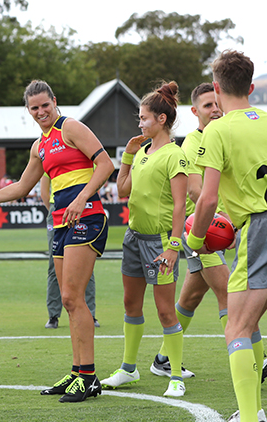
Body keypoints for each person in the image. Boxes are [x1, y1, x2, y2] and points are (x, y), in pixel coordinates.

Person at [0, 80, 113, 403]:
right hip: (60, 223)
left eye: (45, 105)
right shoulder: (39, 146)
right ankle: (77, 373)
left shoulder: (71, 127)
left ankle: (87, 376)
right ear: (28, 111)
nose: (41, 112)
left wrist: (82, 198)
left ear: (54, 102)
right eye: (34, 108)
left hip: (86, 217)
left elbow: (106, 164)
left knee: (74, 297)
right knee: (67, 299)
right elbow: (19, 188)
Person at [187, 51, 267, 422]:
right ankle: (253, 412)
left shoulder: (218, 130)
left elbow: (206, 199)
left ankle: (250, 417)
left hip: (262, 227)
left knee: (235, 328)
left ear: (217, 89)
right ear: (252, 86)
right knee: (249, 323)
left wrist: (193, 241)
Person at [101, 81, 189, 398]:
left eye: (144, 118)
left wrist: (173, 247)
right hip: (133, 237)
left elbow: (180, 205)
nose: (139, 124)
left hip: (159, 242)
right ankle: (128, 369)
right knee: (130, 304)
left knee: (165, 311)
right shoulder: (141, 152)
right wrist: (127, 155)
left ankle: (176, 376)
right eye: (139, 118)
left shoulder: (174, 156)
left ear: (161, 119)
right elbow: (123, 190)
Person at [147, 82, 229, 380]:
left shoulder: (225, 136)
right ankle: (250, 356)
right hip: (204, 231)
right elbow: (195, 193)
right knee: (229, 294)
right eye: (208, 105)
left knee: (191, 298)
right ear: (195, 111)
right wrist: (223, 221)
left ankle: (163, 359)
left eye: (217, 103)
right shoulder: (194, 143)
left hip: (213, 229)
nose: (216, 109)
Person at [41, 175, 98, 330]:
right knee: (54, 265)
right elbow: (44, 192)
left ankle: (90, 313)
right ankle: (53, 315)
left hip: (83, 209)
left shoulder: (88, 157)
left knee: (85, 264)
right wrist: (54, 212)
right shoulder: (51, 154)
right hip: (57, 209)